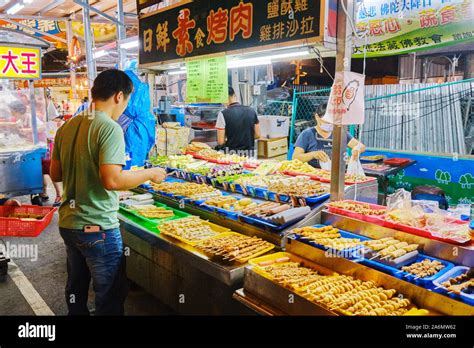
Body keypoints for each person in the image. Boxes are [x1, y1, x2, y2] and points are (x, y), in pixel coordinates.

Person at [50, 69, 167, 316]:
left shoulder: (68, 126)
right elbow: (112, 180)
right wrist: (151, 173)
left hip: (69, 224)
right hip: (97, 227)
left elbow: (56, 174)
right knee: (110, 296)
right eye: (126, 101)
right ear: (118, 96)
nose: (125, 107)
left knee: (77, 288)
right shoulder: (109, 128)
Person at [293, 103, 366, 168]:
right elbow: (295, 157)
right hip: (313, 175)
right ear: (317, 117)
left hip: (336, 175)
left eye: (332, 121)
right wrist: (313, 154)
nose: (329, 124)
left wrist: (357, 149)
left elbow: (361, 146)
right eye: (326, 121)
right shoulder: (307, 134)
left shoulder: (339, 133)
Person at [216, 86, 261, 157]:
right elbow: (258, 135)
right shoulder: (251, 111)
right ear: (234, 95)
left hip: (232, 155)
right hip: (250, 154)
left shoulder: (223, 114)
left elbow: (221, 142)